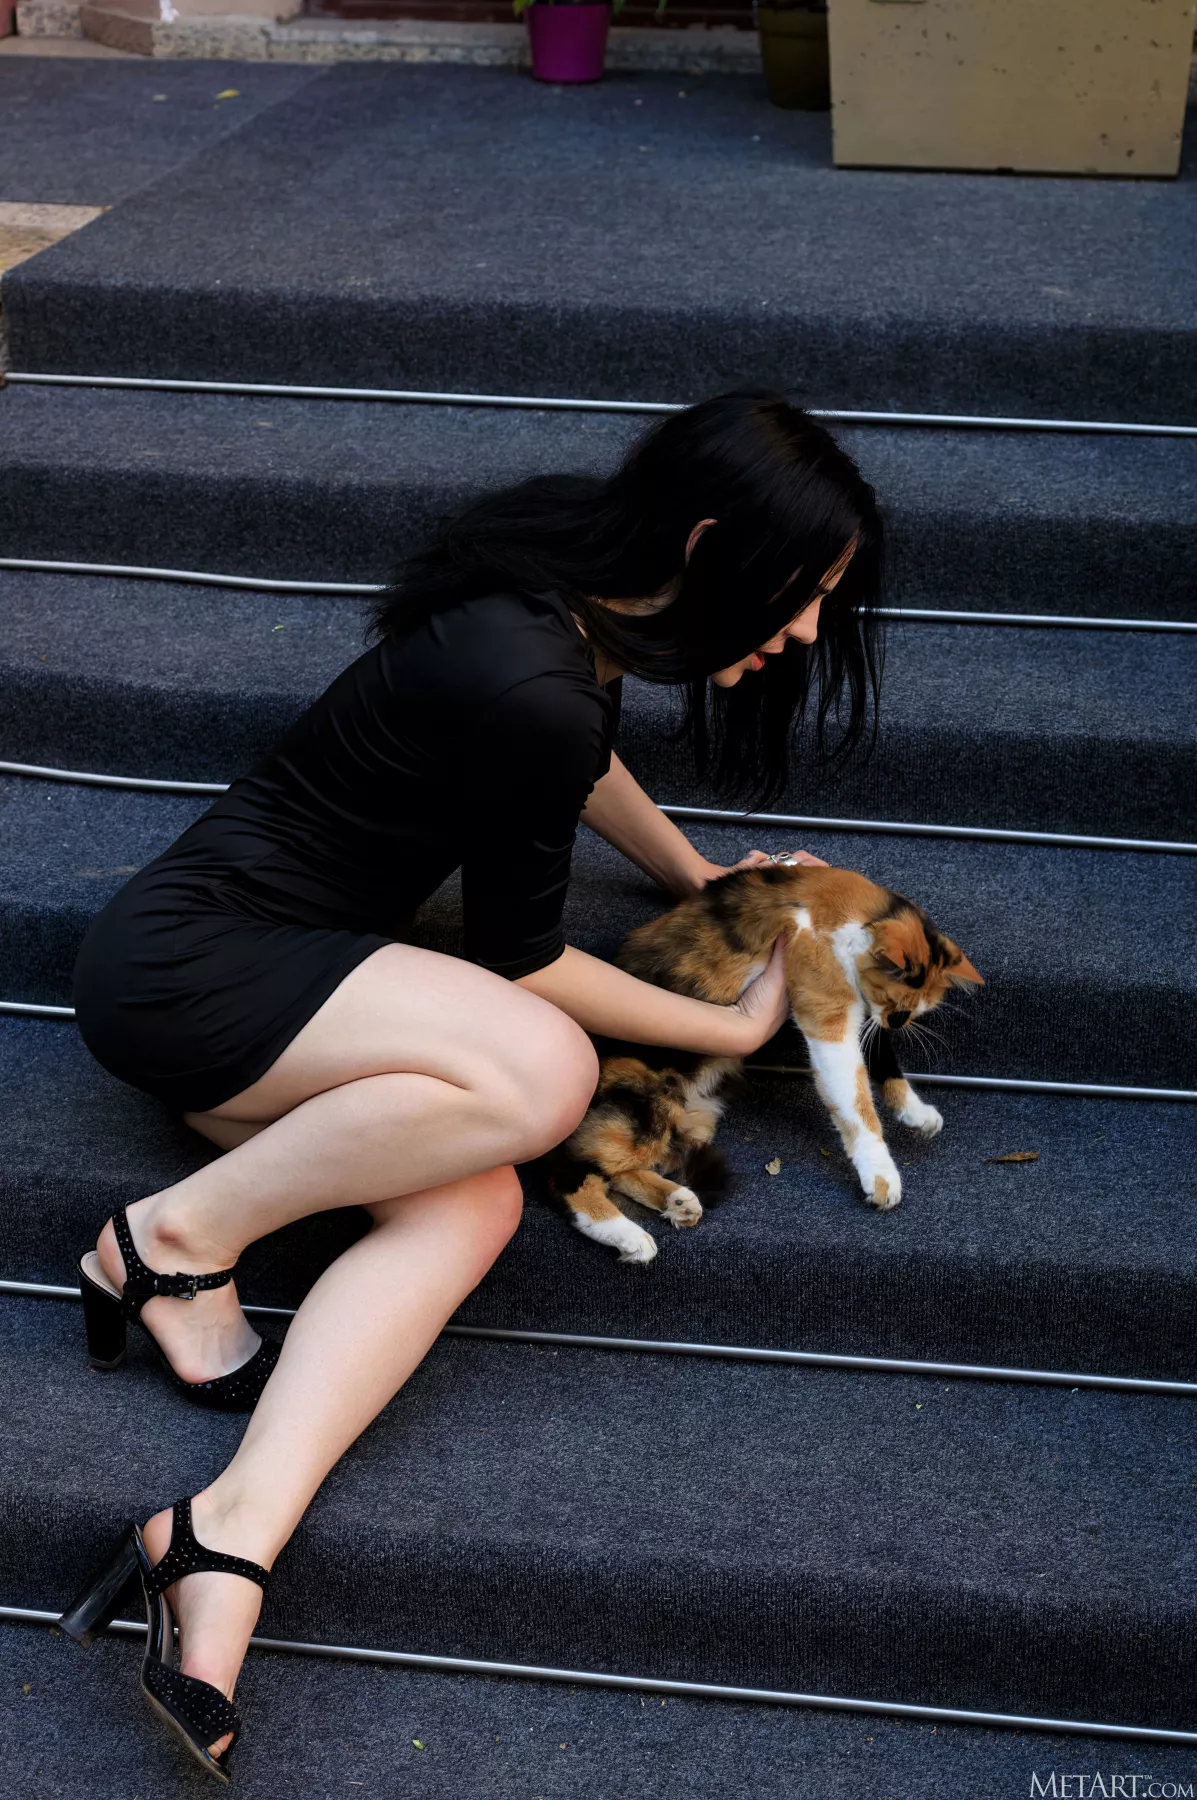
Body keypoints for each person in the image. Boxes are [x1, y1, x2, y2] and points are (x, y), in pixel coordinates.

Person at [61, 389, 883, 1778]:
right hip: (197, 966)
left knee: (477, 1201)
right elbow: (525, 959)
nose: (806, 631)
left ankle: (219, 1543)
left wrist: (696, 877)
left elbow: (574, 749)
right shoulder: (531, 672)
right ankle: (170, 1239)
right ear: (705, 543)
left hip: (282, 992)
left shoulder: (566, 599)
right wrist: (738, 1028)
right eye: (799, 593)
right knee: (544, 1069)